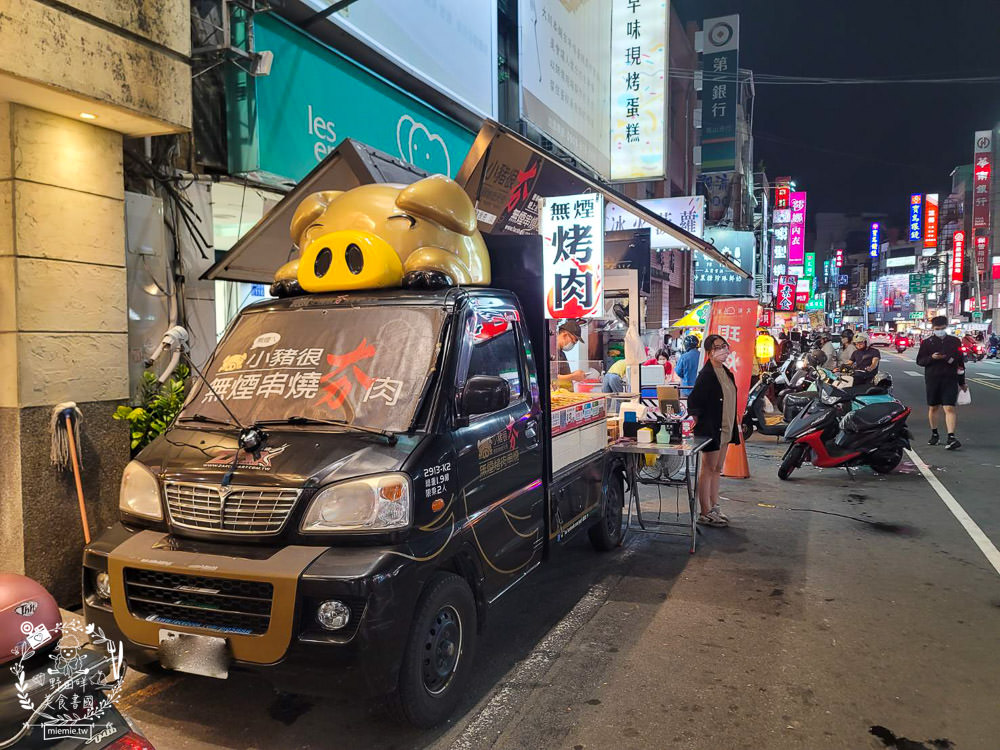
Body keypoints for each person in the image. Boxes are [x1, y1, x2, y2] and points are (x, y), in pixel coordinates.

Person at [687, 334, 739, 527]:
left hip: (726, 427)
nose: (723, 350)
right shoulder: (706, 375)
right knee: (707, 469)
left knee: (717, 469)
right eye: (718, 347)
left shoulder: (726, 372)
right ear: (709, 352)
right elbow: (694, 401)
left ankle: (714, 505)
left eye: (724, 346)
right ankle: (705, 511)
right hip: (711, 429)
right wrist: (698, 422)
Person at [915, 315, 967, 450]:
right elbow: (920, 361)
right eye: (937, 329)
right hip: (933, 378)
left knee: (949, 407)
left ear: (947, 327)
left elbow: (960, 363)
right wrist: (932, 358)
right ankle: (935, 434)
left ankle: (951, 437)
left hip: (950, 378)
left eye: (943, 328)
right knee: (933, 407)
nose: (940, 331)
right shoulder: (927, 343)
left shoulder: (955, 341)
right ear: (933, 328)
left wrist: (962, 382)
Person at [555, 320, 586, 386]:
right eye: (573, 341)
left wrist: (574, 374)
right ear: (564, 335)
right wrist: (572, 376)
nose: (573, 344)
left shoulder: (561, 354)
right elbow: (552, 378)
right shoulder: (551, 353)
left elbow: (561, 375)